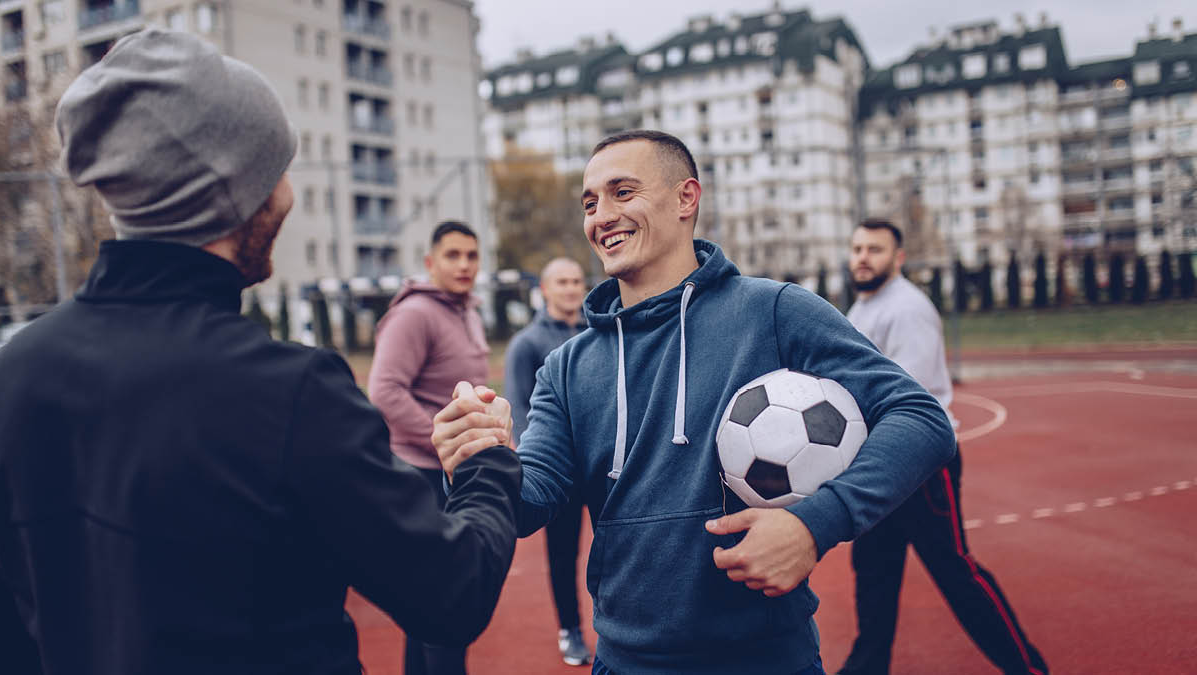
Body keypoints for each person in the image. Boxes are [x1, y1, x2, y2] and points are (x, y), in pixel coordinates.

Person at [0, 30, 521, 675]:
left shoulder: (16, 372)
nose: (288, 193)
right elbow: (452, 594)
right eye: (276, 171)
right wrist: (486, 464)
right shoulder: (291, 393)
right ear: (240, 194)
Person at [432, 130, 958, 674]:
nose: (601, 216)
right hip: (623, 663)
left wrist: (816, 523)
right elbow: (529, 501)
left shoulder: (774, 312)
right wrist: (479, 459)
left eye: (622, 192)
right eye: (589, 203)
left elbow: (920, 418)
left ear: (687, 198)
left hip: (767, 661)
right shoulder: (566, 367)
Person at [837, 220, 1049, 675]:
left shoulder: (907, 309)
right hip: (878, 463)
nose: (862, 257)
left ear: (898, 259)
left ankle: (1028, 669)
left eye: (874, 249)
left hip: (920, 462)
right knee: (874, 574)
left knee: (957, 575)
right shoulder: (862, 308)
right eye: (857, 248)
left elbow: (907, 399)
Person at [367, 220, 491, 675]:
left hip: (453, 474)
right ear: (429, 262)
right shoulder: (415, 313)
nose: (464, 265)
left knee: (433, 615)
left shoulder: (466, 310)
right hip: (420, 477)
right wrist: (446, 442)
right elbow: (385, 392)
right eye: (453, 255)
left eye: (471, 255)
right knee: (446, 607)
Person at [503, 258, 592, 666]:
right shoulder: (527, 344)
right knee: (563, 556)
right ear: (545, 288)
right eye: (563, 282)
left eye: (576, 281)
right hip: (560, 472)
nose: (572, 288)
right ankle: (570, 630)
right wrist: (533, 464)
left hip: (603, 464)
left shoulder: (598, 331)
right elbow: (520, 410)